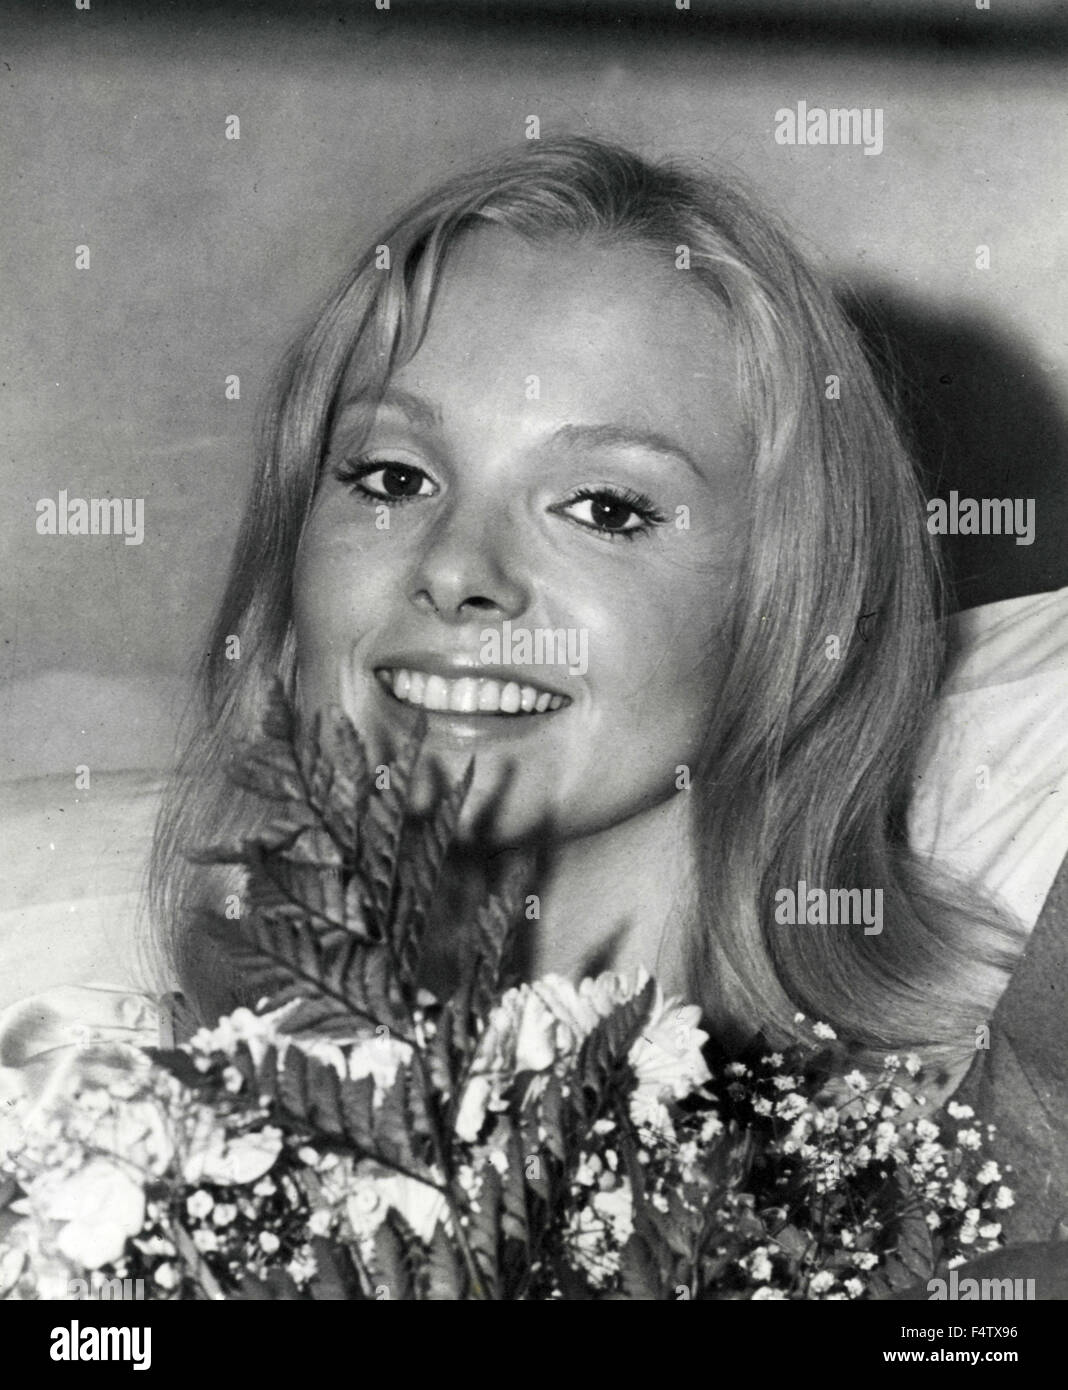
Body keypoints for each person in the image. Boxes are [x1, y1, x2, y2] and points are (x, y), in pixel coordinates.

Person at [4, 137, 1067, 1264]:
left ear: (801, 617)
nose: (459, 566)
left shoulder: (988, 1163)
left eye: (605, 506)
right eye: (392, 477)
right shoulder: (84, 1142)